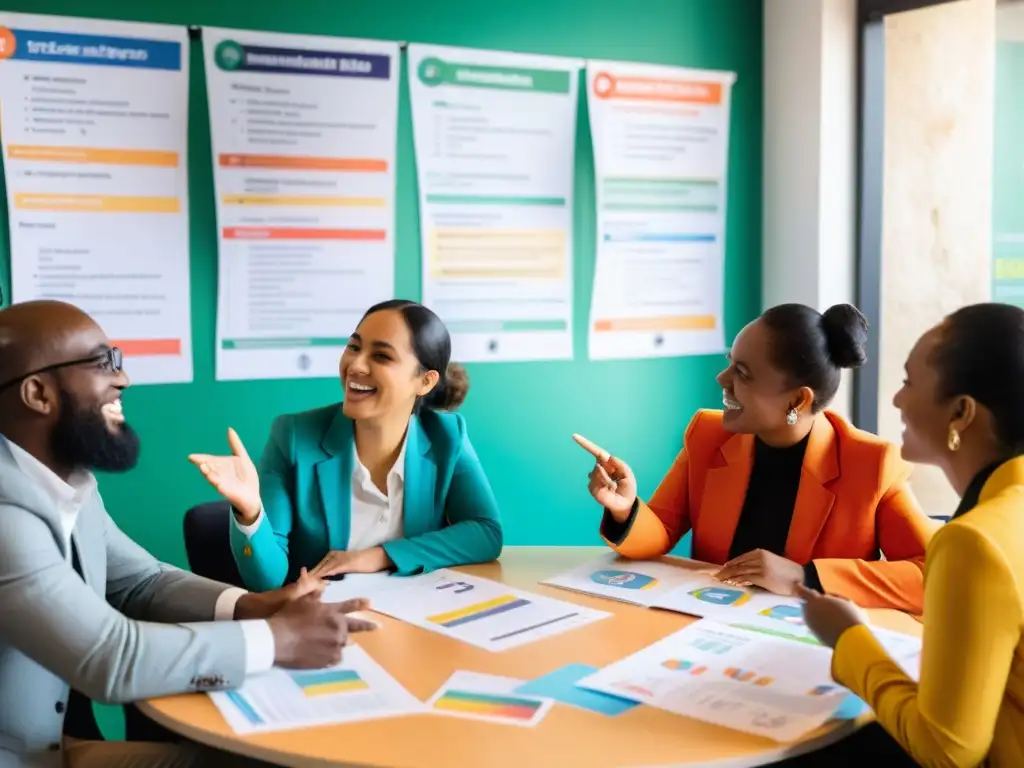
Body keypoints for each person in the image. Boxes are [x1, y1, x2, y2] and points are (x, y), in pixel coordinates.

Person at [0, 300, 377, 768]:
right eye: (103, 363)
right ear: (38, 394)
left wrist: (254, 606)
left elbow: (142, 581)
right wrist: (278, 640)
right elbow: (110, 657)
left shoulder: (62, 480)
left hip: (53, 746)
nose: (123, 379)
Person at [576, 303, 938, 613]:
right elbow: (662, 531)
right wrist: (625, 509)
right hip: (708, 632)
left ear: (798, 401)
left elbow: (933, 577)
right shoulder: (707, 435)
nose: (722, 378)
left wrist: (804, 577)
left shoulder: (871, 465)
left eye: (743, 373)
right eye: (730, 362)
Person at [799, 303, 1024, 767]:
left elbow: (946, 750)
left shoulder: (974, 542)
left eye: (908, 382)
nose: (898, 400)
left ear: (961, 412)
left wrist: (848, 639)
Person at [190, 299, 503, 592]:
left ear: (425, 382)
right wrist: (250, 512)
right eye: (354, 347)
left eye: (381, 356)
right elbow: (266, 582)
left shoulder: (447, 436)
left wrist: (378, 556)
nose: (356, 365)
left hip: (412, 616)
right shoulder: (294, 436)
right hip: (325, 621)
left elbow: (485, 532)